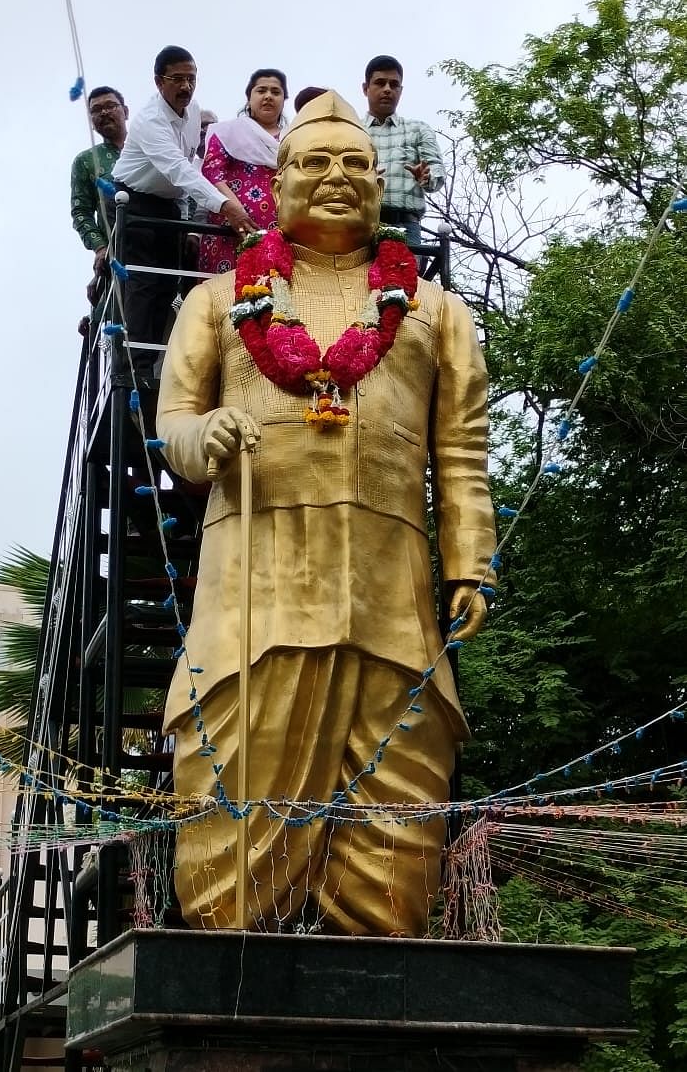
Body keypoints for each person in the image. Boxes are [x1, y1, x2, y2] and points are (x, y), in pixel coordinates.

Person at [156, 91, 496, 937]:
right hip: (254, 602)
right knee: (231, 842)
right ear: (278, 181)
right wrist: (208, 435)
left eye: (355, 165)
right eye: (315, 163)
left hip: (392, 604)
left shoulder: (433, 311)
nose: (337, 179)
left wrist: (470, 561)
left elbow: (460, 452)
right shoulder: (218, 300)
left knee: (398, 849)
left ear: (380, 182)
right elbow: (171, 429)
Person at [110, 46, 255, 382]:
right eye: (178, 79)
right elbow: (178, 169)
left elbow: (191, 161)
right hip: (133, 198)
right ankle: (132, 371)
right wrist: (224, 204)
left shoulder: (193, 113)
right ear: (159, 82)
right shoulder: (149, 120)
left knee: (167, 283)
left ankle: (149, 364)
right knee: (143, 283)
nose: (186, 87)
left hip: (167, 202)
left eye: (192, 79)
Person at [197, 69, 288, 276]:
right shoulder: (227, 132)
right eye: (261, 90)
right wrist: (236, 211)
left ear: (283, 100)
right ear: (249, 98)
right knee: (224, 298)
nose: (268, 96)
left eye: (276, 92)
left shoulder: (293, 138)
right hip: (229, 230)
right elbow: (211, 172)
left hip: (279, 234)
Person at [362, 54, 445, 246]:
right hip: (361, 224)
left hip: (406, 227)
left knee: (406, 276)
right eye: (380, 83)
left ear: (401, 90)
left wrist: (426, 176)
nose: (387, 90)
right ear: (366, 88)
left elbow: (438, 174)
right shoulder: (352, 131)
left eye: (394, 85)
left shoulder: (418, 129)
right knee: (357, 277)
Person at [70, 86, 129, 274]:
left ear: (125, 112)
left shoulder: (148, 147)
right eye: (96, 110)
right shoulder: (86, 161)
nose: (104, 112)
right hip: (117, 252)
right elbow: (81, 211)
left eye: (111, 106)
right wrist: (100, 247)